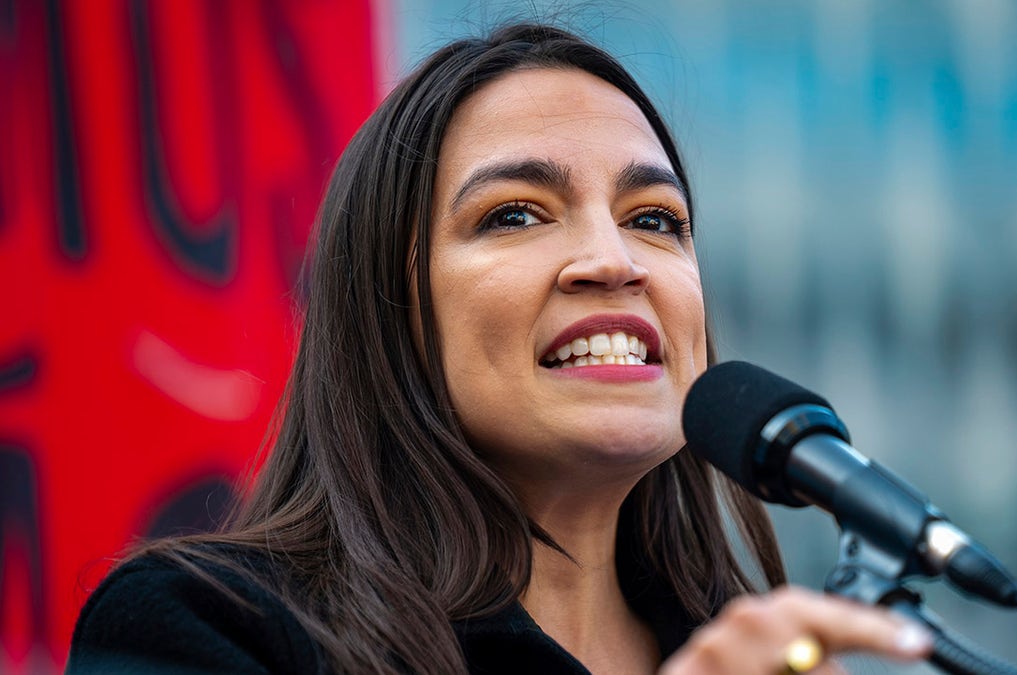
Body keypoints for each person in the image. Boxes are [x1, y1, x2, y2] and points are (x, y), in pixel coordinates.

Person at [67, 23, 933, 674]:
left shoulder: (763, 648)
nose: (614, 260)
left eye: (655, 220)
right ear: (393, 308)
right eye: (514, 214)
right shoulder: (203, 625)